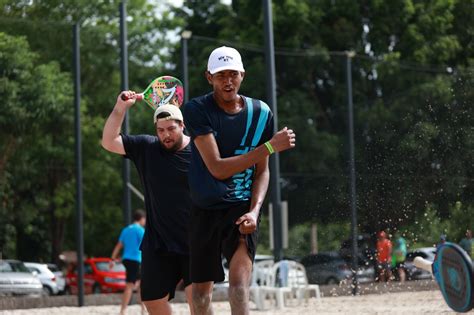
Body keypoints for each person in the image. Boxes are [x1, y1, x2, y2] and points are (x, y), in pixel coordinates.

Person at [182, 46, 296, 314]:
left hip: (241, 209)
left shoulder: (261, 113)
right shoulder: (197, 109)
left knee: (239, 289)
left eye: (233, 74)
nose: (228, 81)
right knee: (199, 297)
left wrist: (255, 212)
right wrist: (269, 146)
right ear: (209, 77)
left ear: (243, 75)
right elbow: (218, 168)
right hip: (204, 208)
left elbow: (262, 171)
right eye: (221, 75)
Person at [102, 96, 194, 315]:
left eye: (171, 129)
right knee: (151, 300)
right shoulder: (147, 147)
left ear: (182, 125)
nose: (165, 135)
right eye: (160, 130)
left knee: (198, 300)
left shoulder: (201, 149)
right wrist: (121, 107)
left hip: (196, 240)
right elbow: (108, 141)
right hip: (158, 240)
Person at [110, 209, 146, 315]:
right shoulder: (140, 230)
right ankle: (123, 310)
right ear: (141, 219)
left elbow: (119, 245)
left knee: (140, 284)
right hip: (136, 260)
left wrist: (112, 259)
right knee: (130, 285)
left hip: (126, 259)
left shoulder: (125, 230)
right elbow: (146, 245)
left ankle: (142, 309)